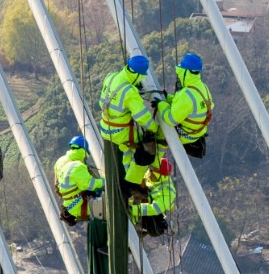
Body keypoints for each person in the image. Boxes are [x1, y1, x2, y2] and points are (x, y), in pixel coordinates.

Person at [99, 54, 157, 197]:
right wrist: (154, 129)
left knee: (128, 152)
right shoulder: (129, 91)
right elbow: (142, 117)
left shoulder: (110, 77)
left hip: (105, 126)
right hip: (120, 131)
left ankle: (131, 180)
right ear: (138, 75)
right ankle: (130, 185)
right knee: (146, 153)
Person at [158, 53, 212, 158]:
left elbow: (171, 119)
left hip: (185, 134)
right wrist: (168, 98)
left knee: (156, 135)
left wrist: (160, 104)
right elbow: (187, 106)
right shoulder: (203, 87)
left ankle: (154, 164)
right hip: (197, 133)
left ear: (184, 71)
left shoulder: (186, 94)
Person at [54, 135, 103, 225]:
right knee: (110, 206)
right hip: (78, 206)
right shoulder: (77, 166)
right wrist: (104, 182)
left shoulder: (60, 161)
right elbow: (90, 185)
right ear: (84, 152)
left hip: (69, 203)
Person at [130, 157, 176, 237]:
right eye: (150, 170)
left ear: (162, 176)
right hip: (136, 212)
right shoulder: (150, 175)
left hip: (147, 220)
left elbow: (155, 209)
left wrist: (132, 209)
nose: (149, 173)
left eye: (153, 172)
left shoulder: (168, 192)